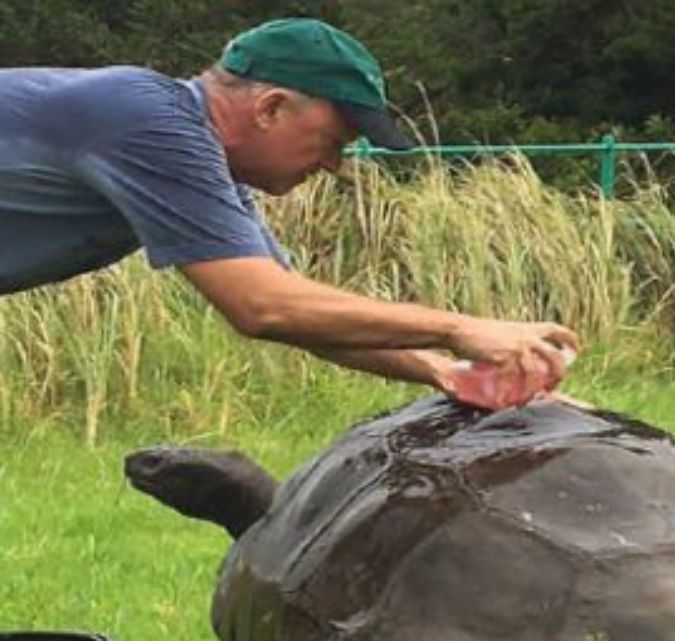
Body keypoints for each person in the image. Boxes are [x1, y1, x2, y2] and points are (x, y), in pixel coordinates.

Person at [0, 17, 578, 401]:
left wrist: (445, 371)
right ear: (272, 108)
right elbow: (263, 307)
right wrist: (459, 328)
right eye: (335, 141)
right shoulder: (144, 120)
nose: (333, 165)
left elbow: (295, 307)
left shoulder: (193, 153)